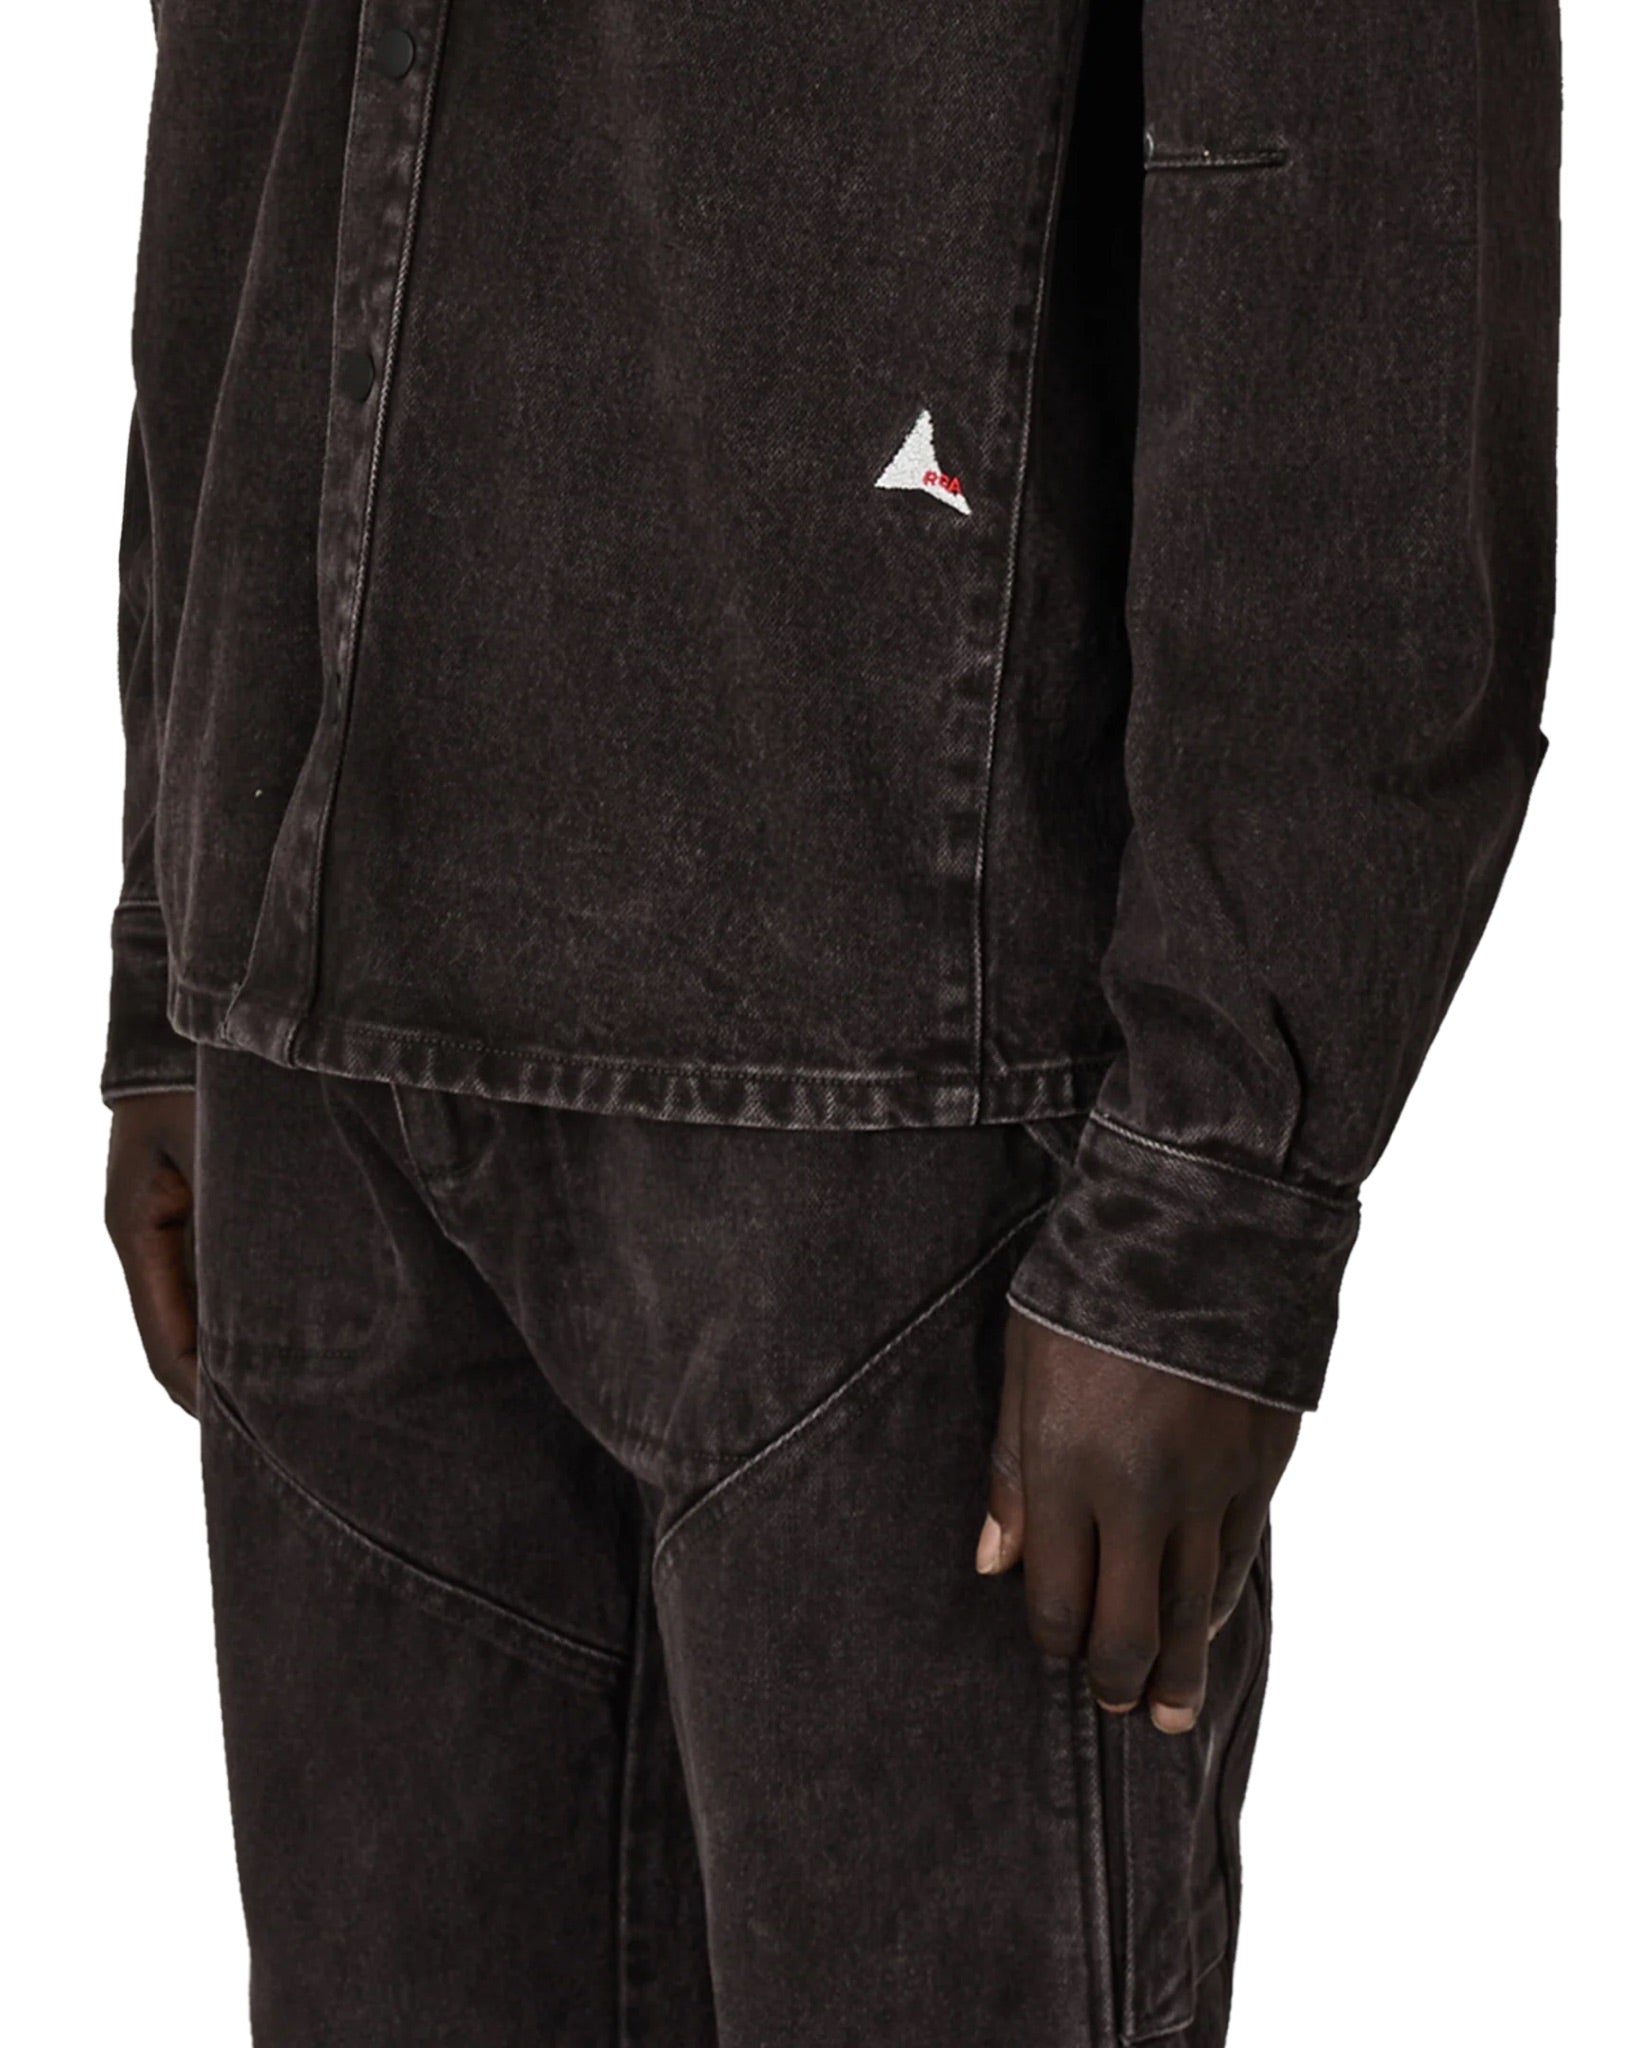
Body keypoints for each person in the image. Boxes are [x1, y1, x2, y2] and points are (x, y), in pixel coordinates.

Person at [102, 4, 1561, 2043]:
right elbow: (234, 89)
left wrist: (1214, 1200)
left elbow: (1344, 194)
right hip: (320, 1040)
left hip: (892, 1101)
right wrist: (173, 943)